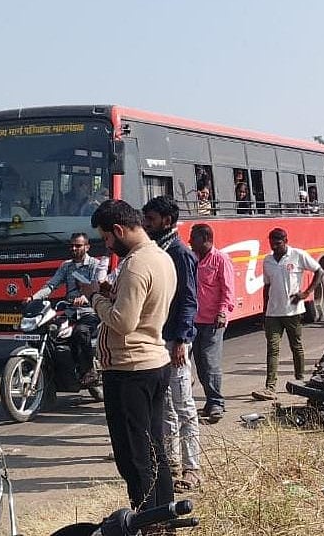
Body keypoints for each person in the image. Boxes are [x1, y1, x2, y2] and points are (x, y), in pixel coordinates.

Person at [81, 200, 176, 512]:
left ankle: (148, 519)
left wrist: (94, 296)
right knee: (152, 449)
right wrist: (113, 295)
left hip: (131, 368)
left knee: (135, 455)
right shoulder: (160, 257)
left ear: (119, 230)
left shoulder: (136, 264)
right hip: (151, 363)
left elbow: (123, 321)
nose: (108, 244)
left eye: (107, 238)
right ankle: (163, 515)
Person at [141, 196, 201, 493]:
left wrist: (181, 340)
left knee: (183, 405)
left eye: (150, 219)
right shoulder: (157, 251)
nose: (145, 224)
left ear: (166, 221)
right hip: (157, 340)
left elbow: (189, 301)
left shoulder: (180, 254)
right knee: (164, 406)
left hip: (175, 341)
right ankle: (172, 464)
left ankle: (192, 468)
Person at [25, 232, 108, 386]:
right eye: (72, 246)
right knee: (50, 330)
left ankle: (89, 370)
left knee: (81, 331)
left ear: (87, 247)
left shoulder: (95, 265)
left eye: (78, 245)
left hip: (90, 312)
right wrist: (34, 298)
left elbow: (97, 287)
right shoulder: (66, 266)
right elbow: (51, 285)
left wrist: (85, 298)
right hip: (70, 312)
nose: (74, 248)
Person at [252, 228, 324, 401]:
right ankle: (270, 387)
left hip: (293, 311)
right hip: (273, 312)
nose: (274, 248)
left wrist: (306, 293)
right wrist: (264, 311)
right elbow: (267, 286)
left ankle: (300, 379)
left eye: (277, 244)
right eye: (272, 245)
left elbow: (319, 271)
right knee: (272, 348)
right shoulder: (268, 260)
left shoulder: (298, 255)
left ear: (285, 241)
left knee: (296, 346)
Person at [188, 224, 235, 419]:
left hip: (213, 321)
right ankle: (209, 402)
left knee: (210, 362)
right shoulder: (192, 258)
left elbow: (228, 289)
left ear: (205, 238)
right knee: (198, 362)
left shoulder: (221, 259)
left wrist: (223, 312)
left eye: (193, 238)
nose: (190, 241)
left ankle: (216, 402)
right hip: (194, 320)